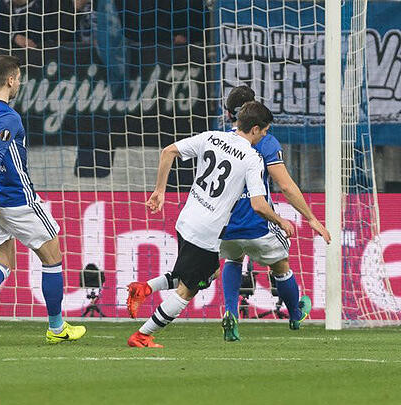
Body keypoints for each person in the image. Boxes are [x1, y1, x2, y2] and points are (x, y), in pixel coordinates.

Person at [125, 101, 294, 348]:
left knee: (209, 272)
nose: (265, 136)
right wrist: (280, 220)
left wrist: (160, 190)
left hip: (186, 220)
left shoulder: (211, 137)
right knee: (189, 290)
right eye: (265, 131)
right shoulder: (252, 158)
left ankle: (143, 288)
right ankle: (142, 335)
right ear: (255, 129)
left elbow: (168, 151)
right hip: (206, 232)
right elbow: (258, 205)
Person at [0, 55, 87, 345]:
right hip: (16, 199)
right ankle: (56, 327)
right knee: (53, 258)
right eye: (18, 78)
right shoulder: (9, 116)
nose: (19, 82)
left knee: (3, 260)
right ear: (10, 80)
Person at [217, 85, 332, 341]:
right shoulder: (266, 141)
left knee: (233, 260)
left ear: (231, 114)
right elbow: (286, 185)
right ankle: (294, 314)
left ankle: (230, 312)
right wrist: (311, 218)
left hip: (227, 222)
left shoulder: (221, 138)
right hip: (258, 220)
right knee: (281, 265)